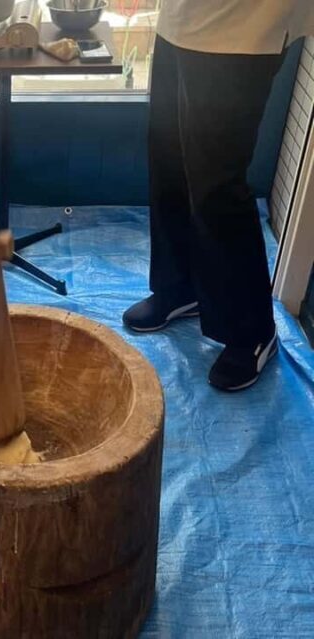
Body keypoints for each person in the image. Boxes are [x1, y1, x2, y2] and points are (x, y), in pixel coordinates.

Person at [123, 0, 314, 392]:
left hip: (242, 32)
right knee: (169, 163)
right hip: (179, 21)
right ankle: (180, 288)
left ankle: (252, 332)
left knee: (217, 189)